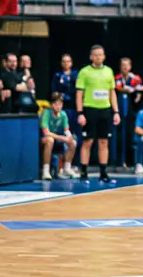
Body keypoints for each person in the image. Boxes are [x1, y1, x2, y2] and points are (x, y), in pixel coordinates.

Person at [75, 45, 119, 183]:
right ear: (91, 57)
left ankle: (103, 173)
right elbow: (79, 94)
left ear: (104, 56)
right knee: (88, 141)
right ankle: (84, 172)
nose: (98, 57)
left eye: (101, 55)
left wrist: (116, 111)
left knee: (104, 142)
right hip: (90, 110)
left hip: (105, 111)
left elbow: (112, 92)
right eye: (96, 55)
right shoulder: (84, 72)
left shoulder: (109, 72)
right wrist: (80, 112)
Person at [40, 98, 78, 180]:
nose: (58, 106)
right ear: (52, 105)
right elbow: (46, 133)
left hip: (57, 139)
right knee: (50, 140)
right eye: (56, 104)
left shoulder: (63, 114)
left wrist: (69, 137)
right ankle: (45, 170)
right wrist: (63, 138)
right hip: (42, 139)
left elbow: (66, 130)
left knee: (73, 143)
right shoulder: (46, 113)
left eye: (60, 104)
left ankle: (66, 168)